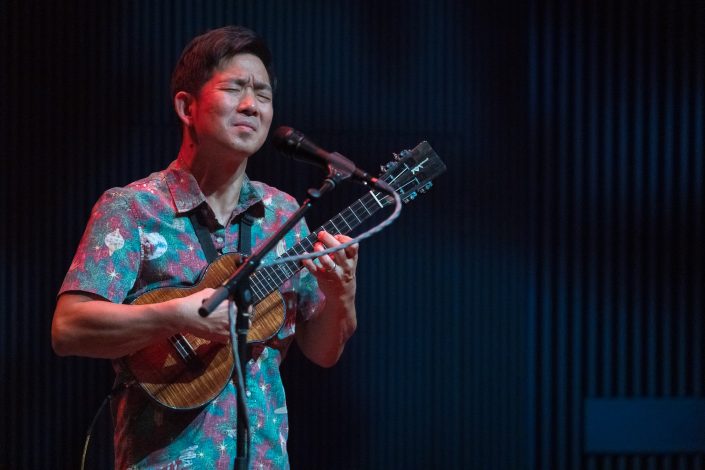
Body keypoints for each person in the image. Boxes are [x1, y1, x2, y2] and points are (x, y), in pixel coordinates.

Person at [51, 25, 358, 469]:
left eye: (264, 95)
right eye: (235, 88)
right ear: (186, 106)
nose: (252, 105)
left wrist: (341, 290)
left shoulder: (283, 214)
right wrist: (176, 314)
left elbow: (323, 352)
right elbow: (68, 329)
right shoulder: (134, 208)